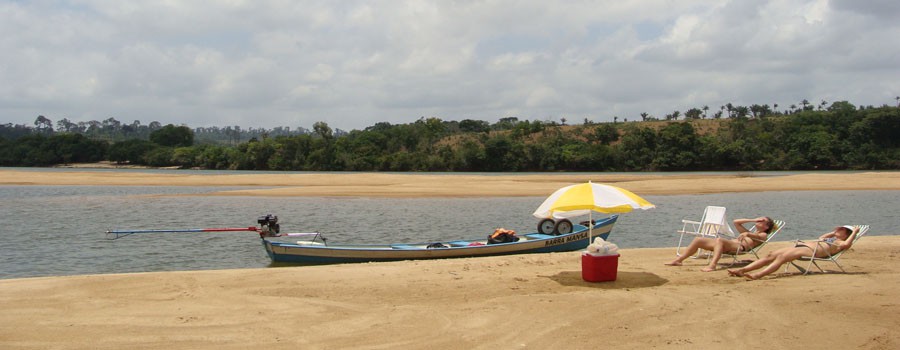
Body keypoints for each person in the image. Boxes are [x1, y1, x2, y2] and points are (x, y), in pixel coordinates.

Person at [728, 225, 860, 280]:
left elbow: (847, 244)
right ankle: (742, 270)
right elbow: (821, 237)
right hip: (801, 246)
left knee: (782, 257)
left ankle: (759, 274)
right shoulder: (832, 238)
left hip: (810, 251)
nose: (837, 229)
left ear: (846, 233)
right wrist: (835, 232)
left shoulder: (840, 243)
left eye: (841, 229)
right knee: (771, 254)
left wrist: (854, 232)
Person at [666, 216, 774, 272]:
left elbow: (757, 237)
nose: (758, 221)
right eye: (758, 220)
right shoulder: (748, 232)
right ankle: (678, 260)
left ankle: (712, 265)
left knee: (720, 240)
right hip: (730, 244)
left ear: (766, 227)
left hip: (739, 248)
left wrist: (747, 233)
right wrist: (753, 219)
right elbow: (736, 222)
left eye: (761, 221)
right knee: (698, 239)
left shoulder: (763, 234)